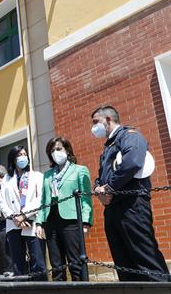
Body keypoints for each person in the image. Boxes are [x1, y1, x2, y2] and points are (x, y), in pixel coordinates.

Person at [91, 105, 169, 281]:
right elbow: (100, 177)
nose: (93, 127)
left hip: (132, 205)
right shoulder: (107, 147)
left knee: (145, 256)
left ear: (108, 119)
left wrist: (109, 188)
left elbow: (133, 161)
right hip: (112, 208)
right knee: (123, 262)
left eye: (96, 122)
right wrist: (98, 190)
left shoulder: (130, 136)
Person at [35, 136, 93, 281]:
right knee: (56, 265)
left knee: (75, 263)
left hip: (71, 221)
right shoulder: (47, 175)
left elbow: (86, 198)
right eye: (52, 150)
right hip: (51, 221)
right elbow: (43, 200)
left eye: (59, 148)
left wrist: (86, 222)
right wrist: (39, 222)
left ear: (67, 150)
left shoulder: (80, 170)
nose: (56, 152)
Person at [0, 145, 47, 280]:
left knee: (38, 261)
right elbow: (2, 202)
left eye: (25, 154)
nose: (23, 157)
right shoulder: (6, 180)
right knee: (17, 263)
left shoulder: (37, 176)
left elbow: (40, 199)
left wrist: (24, 215)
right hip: (13, 224)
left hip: (32, 222)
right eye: (19, 155)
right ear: (13, 159)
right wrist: (15, 217)